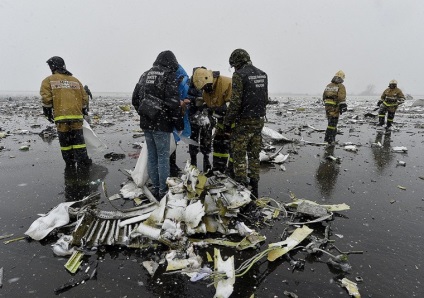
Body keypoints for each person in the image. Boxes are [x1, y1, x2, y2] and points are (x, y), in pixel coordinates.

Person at [132, 50, 184, 199]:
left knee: (152, 156)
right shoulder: (169, 75)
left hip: (147, 123)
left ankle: (155, 188)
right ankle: (163, 192)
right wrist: (178, 124)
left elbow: (135, 99)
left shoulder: (145, 75)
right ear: (171, 62)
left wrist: (146, 112)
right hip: (162, 123)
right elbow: (174, 103)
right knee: (162, 157)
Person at [224, 49, 268, 199]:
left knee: (240, 154)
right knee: (254, 154)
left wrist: (227, 123)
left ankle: (242, 187)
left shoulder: (239, 75)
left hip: (244, 121)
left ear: (237, 63)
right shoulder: (262, 74)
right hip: (259, 120)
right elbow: (264, 98)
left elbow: (235, 102)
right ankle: (254, 186)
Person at [40, 56, 92, 168]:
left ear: (53, 67)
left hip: (61, 117)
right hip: (76, 116)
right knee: (79, 142)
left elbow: (46, 98)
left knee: (65, 143)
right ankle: (83, 161)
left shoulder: (48, 80)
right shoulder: (75, 80)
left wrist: (47, 112)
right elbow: (84, 98)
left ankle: (70, 163)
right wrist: (83, 110)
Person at [192, 67, 232, 173]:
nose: (205, 89)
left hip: (234, 123)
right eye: (203, 88)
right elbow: (211, 105)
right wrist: (205, 108)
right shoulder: (206, 92)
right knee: (219, 145)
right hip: (221, 123)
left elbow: (234, 105)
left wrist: (223, 109)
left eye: (206, 87)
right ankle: (218, 169)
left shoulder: (226, 83)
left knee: (233, 148)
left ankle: (233, 171)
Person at [187, 68, 213, 172]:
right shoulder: (190, 84)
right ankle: (193, 161)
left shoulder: (208, 82)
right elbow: (186, 96)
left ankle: (206, 159)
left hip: (205, 117)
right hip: (194, 116)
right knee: (194, 139)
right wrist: (194, 101)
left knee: (206, 139)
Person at [169, 64, 191, 176]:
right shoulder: (178, 78)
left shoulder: (180, 78)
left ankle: (172, 165)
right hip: (173, 114)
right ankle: (170, 166)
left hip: (176, 114)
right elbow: (170, 98)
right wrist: (180, 102)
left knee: (173, 141)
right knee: (171, 141)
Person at [322, 70, 347, 145]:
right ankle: (328, 139)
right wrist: (343, 105)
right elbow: (341, 96)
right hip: (335, 106)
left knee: (330, 121)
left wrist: (326, 103)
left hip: (327, 106)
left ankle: (332, 138)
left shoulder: (329, 85)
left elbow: (324, 95)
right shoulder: (340, 86)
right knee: (333, 123)